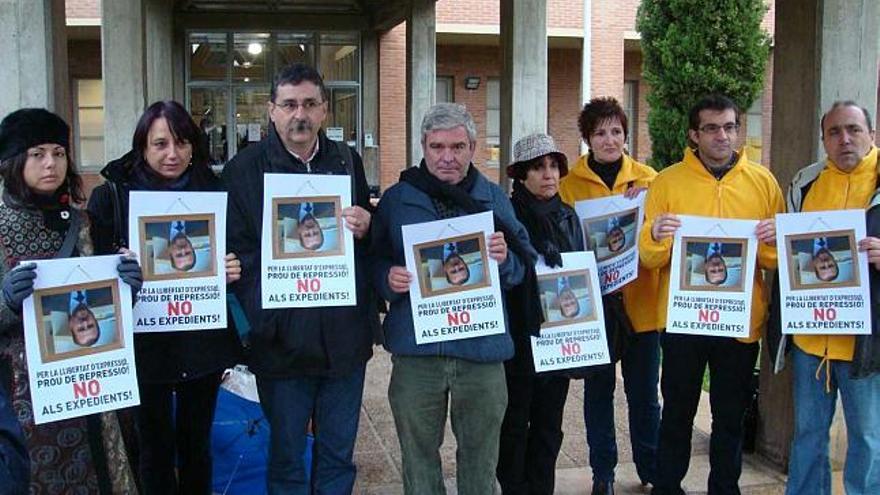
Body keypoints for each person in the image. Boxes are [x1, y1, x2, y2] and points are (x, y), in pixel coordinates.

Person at [223, 63, 376, 494]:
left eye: (309, 104)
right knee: (287, 459)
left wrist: (368, 225)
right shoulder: (243, 170)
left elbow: (363, 242)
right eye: (289, 105)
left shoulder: (347, 161)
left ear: (325, 110)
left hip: (343, 341)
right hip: (282, 345)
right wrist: (263, 321)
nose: (299, 115)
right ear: (271, 111)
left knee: (337, 458)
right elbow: (239, 254)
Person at [371, 103, 533, 495]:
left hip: (481, 354)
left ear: (473, 148)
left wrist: (505, 258)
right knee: (418, 456)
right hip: (417, 354)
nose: (447, 157)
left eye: (458, 147)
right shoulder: (398, 199)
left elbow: (523, 268)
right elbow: (372, 260)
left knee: (480, 460)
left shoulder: (493, 198)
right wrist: (386, 278)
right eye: (437, 146)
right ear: (423, 147)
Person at [87, 100, 243, 494]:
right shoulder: (113, 198)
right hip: (145, 345)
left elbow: (238, 252)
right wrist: (114, 268)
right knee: (153, 448)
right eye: (160, 144)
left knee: (196, 446)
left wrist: (232, 268)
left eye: (181, 142)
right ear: (142, 147)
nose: (172, 154)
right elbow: (90, 273)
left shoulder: (215, 191)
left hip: (201, 342)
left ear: (194, 146)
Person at [639, 94, 782, 495]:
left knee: (730, 417)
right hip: (683, 321)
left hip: (739, 324)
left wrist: (772, 242)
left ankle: (725, 488)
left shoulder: (763, 182)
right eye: (712, 128)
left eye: (730, 126)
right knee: (678, 414)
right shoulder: (666, 182)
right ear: (693, 134)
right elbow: (649, 258)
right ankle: (667, 486)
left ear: (739, 130)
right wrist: (654, 235)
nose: (722, 135)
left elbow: (772, 261)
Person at [0, 108, 141, 492]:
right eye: (38, 154)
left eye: (59, 153)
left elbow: (93, 304)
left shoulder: (81, 223)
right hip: (22, 396)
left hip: (86, 384)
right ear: (13, 161)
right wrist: (6, 302)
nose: (51, 164)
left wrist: (125, 289)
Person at [767, 101, 880, 495]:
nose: (844, 139)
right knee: (808, 436)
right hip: (812, 340)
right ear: (823, 140)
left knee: (867, 439)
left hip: (866, 343)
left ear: (872, 133)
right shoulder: (805, 183)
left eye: (853, 129)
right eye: (834, 132)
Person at [558, 96, 662, 493]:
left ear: (625, 134)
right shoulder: (569, 187)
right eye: (600, 132)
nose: (609, 139)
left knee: (644, 395)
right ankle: (603, 472)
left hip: (640, 304)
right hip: (594, 308)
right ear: (587, 138)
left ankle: (651, 468)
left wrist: (645, 211)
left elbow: (660, 235)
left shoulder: (651, 180)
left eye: (616, 131)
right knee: (598, 393)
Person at [495, 132, 593, 495]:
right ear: (521, 174)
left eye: (553, 166)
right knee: (515, 421)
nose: (549, 174)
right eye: (538, 167)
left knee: (550, 424)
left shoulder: (569, 217)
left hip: (558, 336)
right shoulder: (504, 216)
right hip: (519, 336)